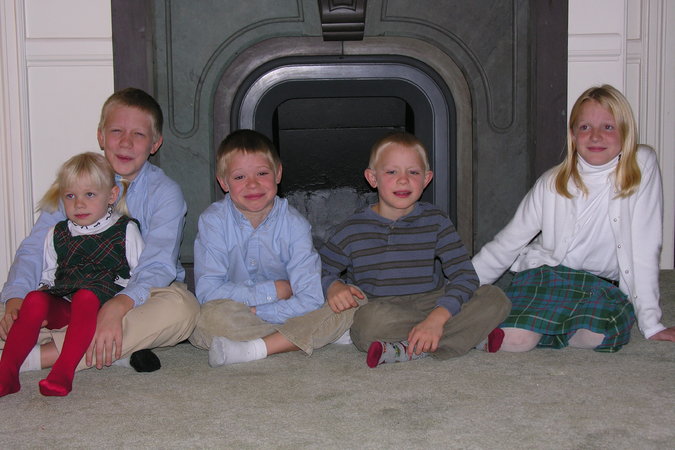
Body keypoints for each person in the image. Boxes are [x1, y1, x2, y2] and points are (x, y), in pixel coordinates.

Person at [1, 88, 199, 375]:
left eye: (138, 134)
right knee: (19, 310)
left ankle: (41, 356)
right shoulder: (77, 180)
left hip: (139, 293)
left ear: (155, 143)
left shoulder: (165, 193)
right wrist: (15, 297)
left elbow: (158, 264)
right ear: (101, 136)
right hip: (73, 293)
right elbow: (36, 247)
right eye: (117, 131)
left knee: (183, 310)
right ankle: (116, 345)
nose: (126, 142)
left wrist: (118, 305)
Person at [472, 84, 675, 353]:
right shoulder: (552, 183)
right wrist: (458, 291)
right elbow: (506, 244)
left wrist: (652, 323)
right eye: (585, 127)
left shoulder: (641, 166)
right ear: (572, 135)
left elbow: (645, 245)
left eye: (608, 127)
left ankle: (549, 326)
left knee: (600, 336)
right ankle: (509, 328)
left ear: (626, 132)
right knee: (516, 342)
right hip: (548, 276)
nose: (595, 136)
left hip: (600, 285)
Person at [320, 132, 511, 368]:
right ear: (372, 178)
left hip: (432, 301)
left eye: (413, 172)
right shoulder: (352, 228)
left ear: (426, 179)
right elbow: (318, 267)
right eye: (392, 172)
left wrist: (438, 317)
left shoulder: (436, 221)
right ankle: (463, 337)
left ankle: (407, 348)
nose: (403, 180)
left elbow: (465, 275)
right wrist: (333, 286)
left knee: (496, 298)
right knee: (365, 326)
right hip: (384, 309)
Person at [191, 129, 351, 367]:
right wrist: (273, 291)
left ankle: (255, 348)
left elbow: (310, 297)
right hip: (241, 314)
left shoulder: (295, 225)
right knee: (205, 320)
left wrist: (260, 311)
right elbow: (208, 292)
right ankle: (306, 336)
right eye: (239, 177)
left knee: (352, 302)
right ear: (223, 182)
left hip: (285, 311)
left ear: (278, 173)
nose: (252, 184)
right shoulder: (213, 222)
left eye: (262, 173)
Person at [0, 153, 144, 396]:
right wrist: (42, 295)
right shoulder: (56, 233)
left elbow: (139, 274)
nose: (79, 204)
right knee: (34, 299)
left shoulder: (125, 229)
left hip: (102, 305)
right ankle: (7, 374)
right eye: (70, 196)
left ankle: (63, 372)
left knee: (85, 296)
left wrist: (120, 300)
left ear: (111, 196)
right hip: (68, 302)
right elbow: (49, 276)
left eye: (90, 195)